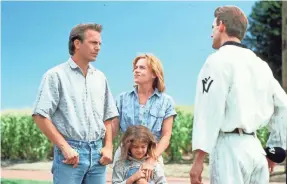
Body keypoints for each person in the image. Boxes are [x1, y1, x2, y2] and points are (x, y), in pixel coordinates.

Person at [189, 6, 287, 184]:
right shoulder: (260, 65)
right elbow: (283, 105)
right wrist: (275, 150)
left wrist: (198, 161)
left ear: (221, 26)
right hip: (256, 151)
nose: (211, 33)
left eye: (212, 27)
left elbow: (209, 110)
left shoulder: (216, 61)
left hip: (229, 151)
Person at [32, 23, 119, 184]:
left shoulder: (100, 77)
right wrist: (65, 147)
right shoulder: (55, 75)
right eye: (93, 43)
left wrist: (108, 147)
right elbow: (40, 115)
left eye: (100, 44)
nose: (98, 47)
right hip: (71, 156)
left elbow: (108, 116)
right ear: (77, 43)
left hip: (98, 155)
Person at [112, 53, 177, 181]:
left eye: (142, 68)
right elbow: (112, 132)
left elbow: (166, 136)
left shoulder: (166, 101)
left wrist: (152, 160)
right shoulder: (121, 99)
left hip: (153, 156)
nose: (136, 71)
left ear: (154, 74)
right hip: (124, 158)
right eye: (135, 68)